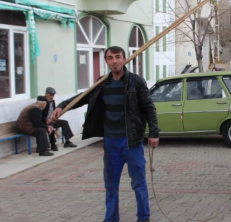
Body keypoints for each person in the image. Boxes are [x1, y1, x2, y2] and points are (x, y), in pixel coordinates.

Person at [51, 46, 160, 222]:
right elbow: (83, 97)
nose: (114, 61)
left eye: (118, 57)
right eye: (110, 58)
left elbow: (149, 108)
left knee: (139, 184)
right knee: (111, 185)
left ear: (124, 59)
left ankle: (143, 218)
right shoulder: (102, 83)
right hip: (111, 143)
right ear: (107, 61)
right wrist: (62, 105)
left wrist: (154, 133)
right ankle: (111, 218)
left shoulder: (136, 81)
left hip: (131, 142)